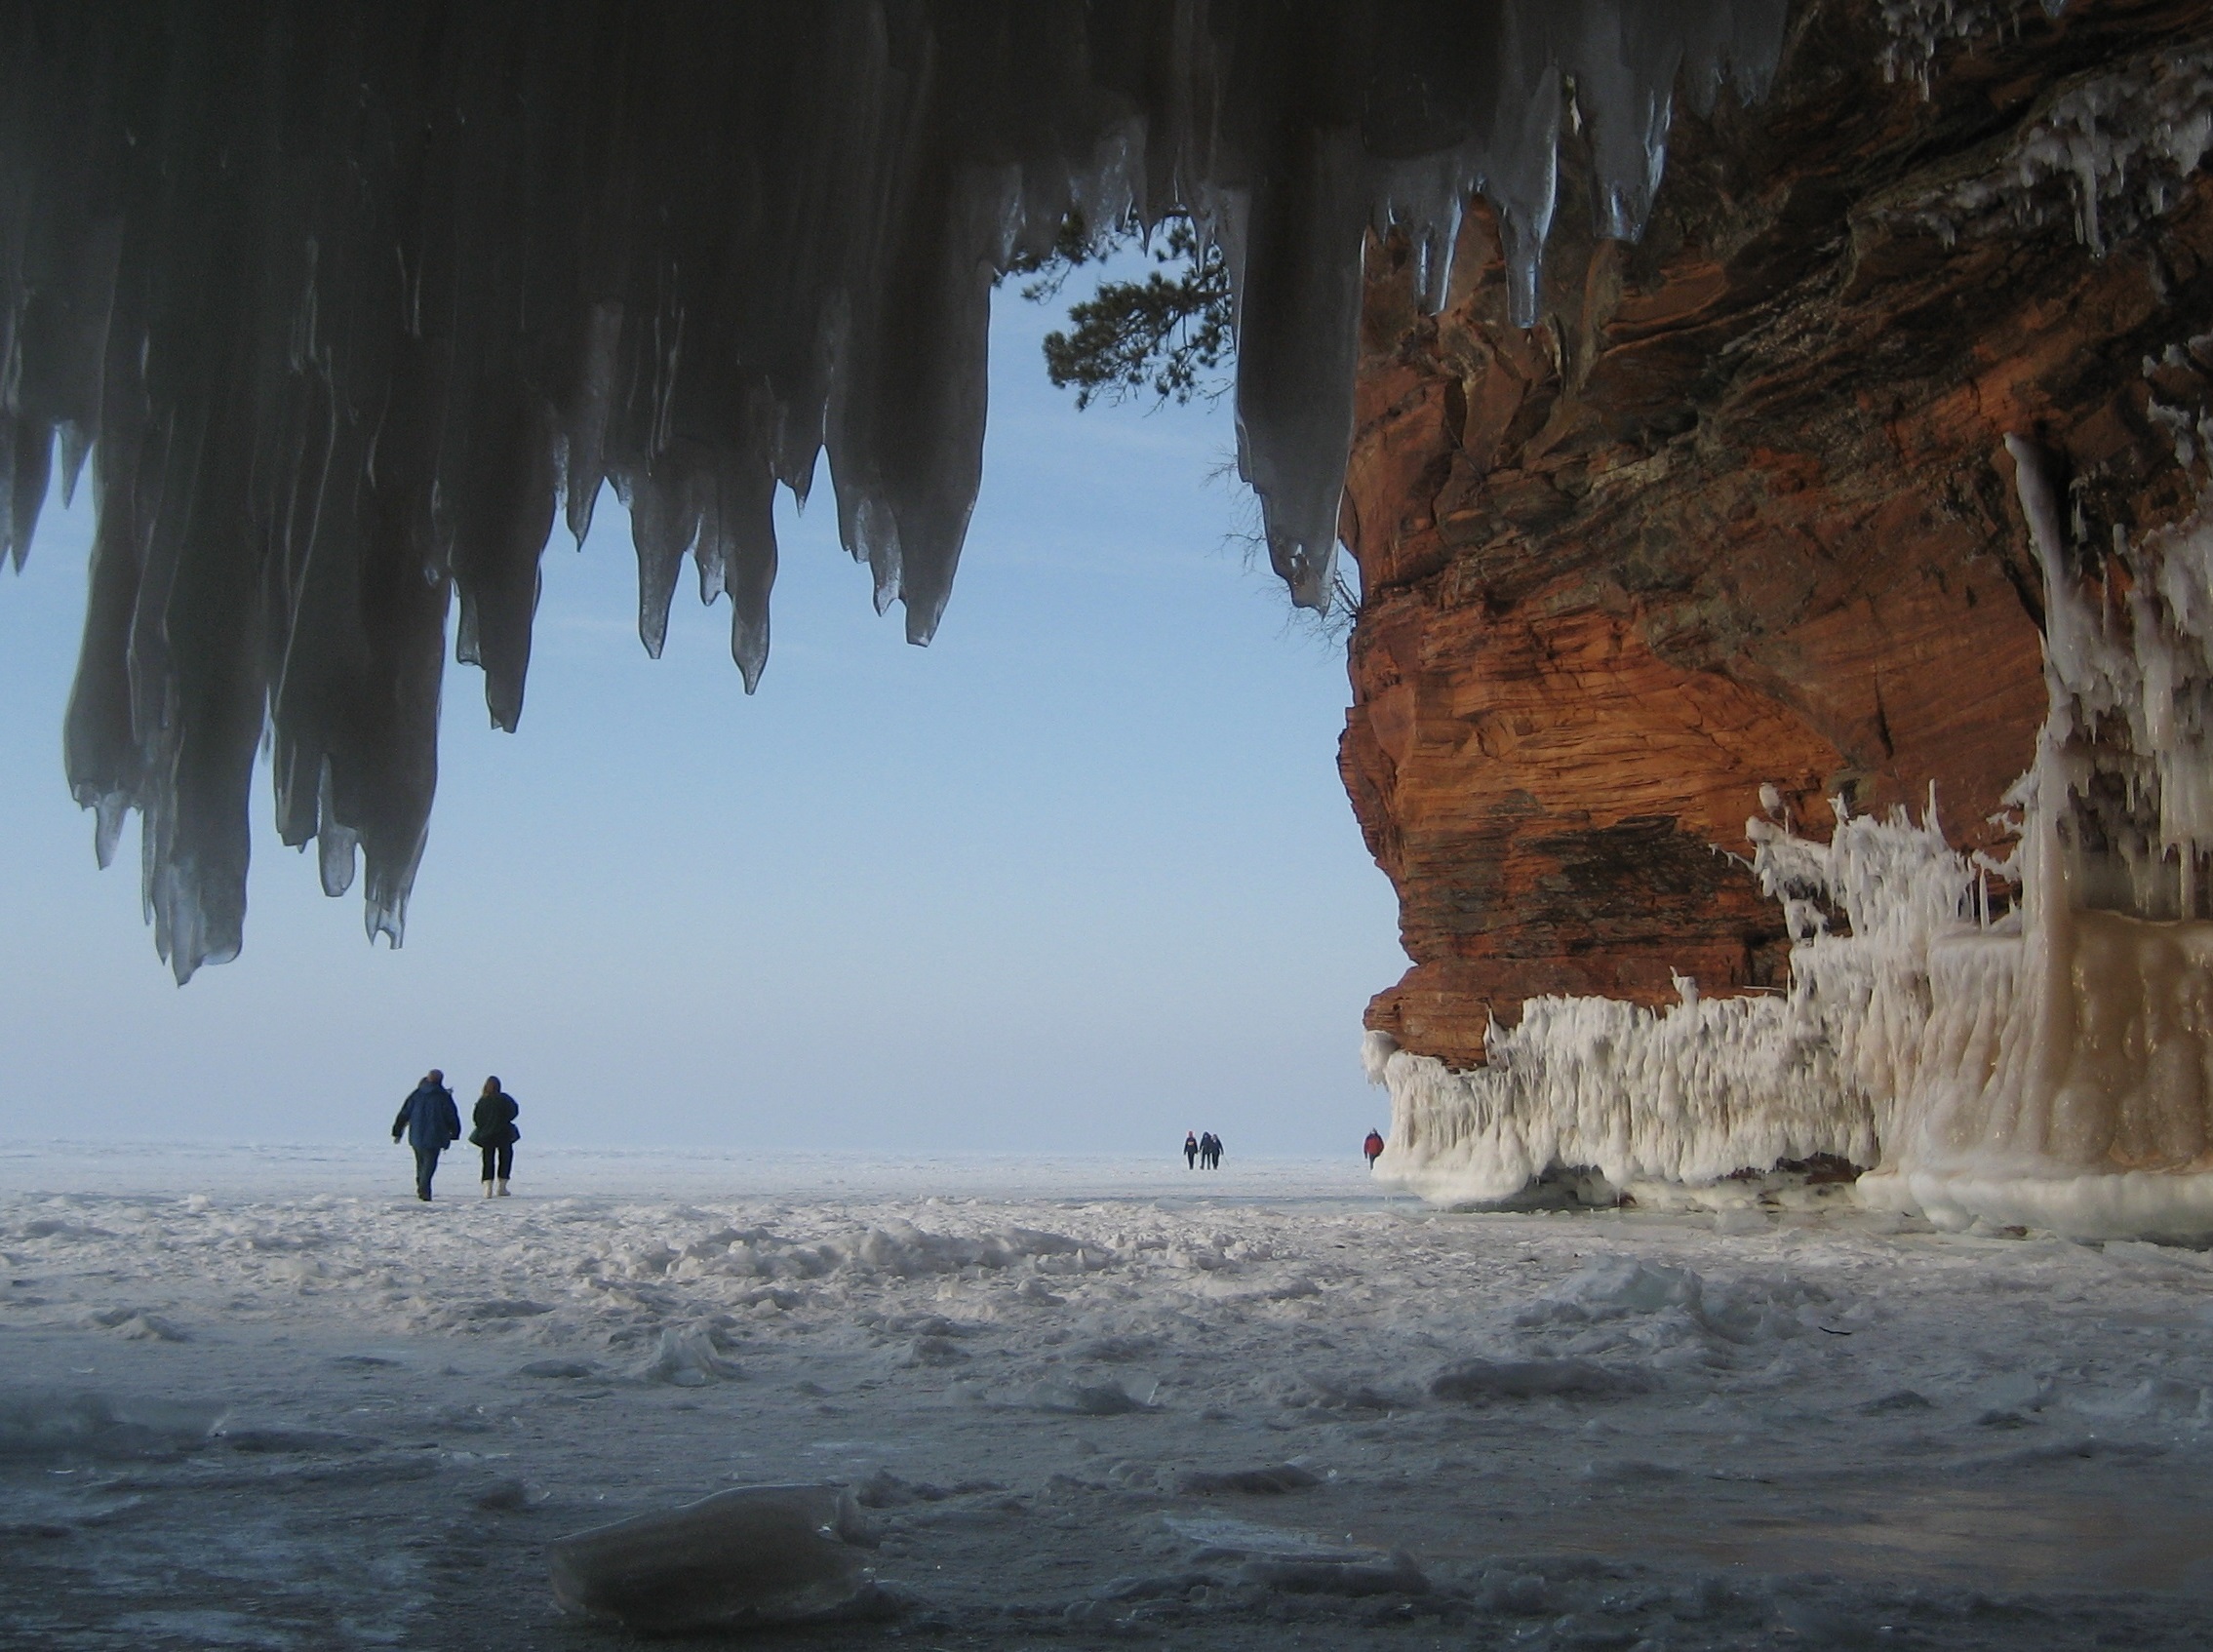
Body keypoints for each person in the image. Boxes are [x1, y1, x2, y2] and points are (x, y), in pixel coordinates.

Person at [392, 1070, 461, 1201]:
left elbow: (403, 1114)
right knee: (429, 1164)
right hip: (436, 1135)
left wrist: (397, 1131)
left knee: (420, 1163)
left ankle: (421, 1186)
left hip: (416, 1135)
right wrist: (455, 1132)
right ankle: (424, 1188)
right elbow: (451, 1116)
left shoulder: (416, 1095)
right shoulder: (443, 1097)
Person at [471, 1077, 522, 1197]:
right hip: (504, 1134)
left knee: (487, 1160)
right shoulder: (506, 1099)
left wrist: (484, 1126)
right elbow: (514, 1112)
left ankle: (487, 1188)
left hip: (486, 1135)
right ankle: (502, 1187)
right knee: (505, 1159)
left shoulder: (483, 1101)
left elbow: (476, 1118)